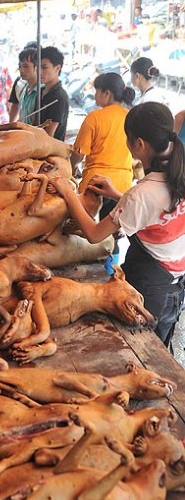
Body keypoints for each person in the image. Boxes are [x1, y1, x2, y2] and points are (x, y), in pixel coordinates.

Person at [49, 102, 185, 348]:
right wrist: (118, 195)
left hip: (150, 287)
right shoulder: (177, 169)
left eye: (128, 138)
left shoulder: (142, 194)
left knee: (141, 350)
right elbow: (154, 212)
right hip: (175, 285)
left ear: (139, 144)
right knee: (161, 346)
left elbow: (93, 234)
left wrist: (67, 192)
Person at [71, 72, 135, 199]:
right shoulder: (131, 117)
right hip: (123, 186)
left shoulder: (94, 118)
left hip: (95, 185)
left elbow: (78, 153)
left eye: (97, 91)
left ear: (107, 94)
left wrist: (71, 167)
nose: (95, 96)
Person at [39, 46, 70, 141]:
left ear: (57, 68)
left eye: (44, 68)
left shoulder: (59, 98)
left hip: (49, 152)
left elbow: (48, 136)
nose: (39, 72)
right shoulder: (41, 91)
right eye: (38, 67)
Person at [8, 47, 39, 125]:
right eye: (20, 66)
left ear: (36, 67)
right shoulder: (25, 88)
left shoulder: (42, 92)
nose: (21, 70)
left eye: (26, 66)